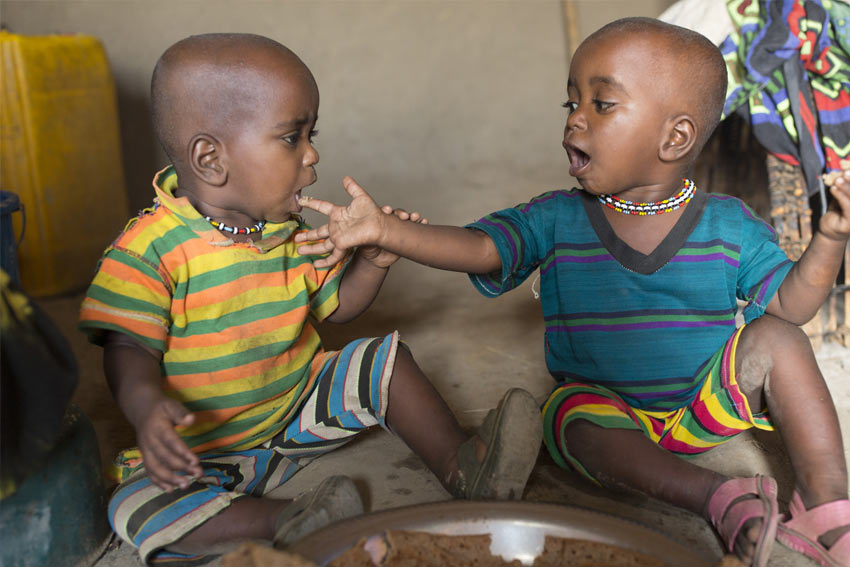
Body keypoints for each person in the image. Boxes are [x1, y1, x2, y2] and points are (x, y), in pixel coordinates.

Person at [295, 17, 850, 567]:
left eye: (601, 105)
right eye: (571, 104)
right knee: (566, 416)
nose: (575, 121)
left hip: (704, 401)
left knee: (778, 338)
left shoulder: (730, 224)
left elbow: (792, 306)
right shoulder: (556, 216)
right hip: (604, 409)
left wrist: (829, 240)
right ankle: (716, 498)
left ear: (674, 137)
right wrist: (387, 231)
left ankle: (827, 503)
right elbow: (481, 249)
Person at [78, 33, 543, 565]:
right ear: (210, 159)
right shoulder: (150, 250)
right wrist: (146, 410)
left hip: (296, 415)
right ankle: (291, 519)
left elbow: (338, 308)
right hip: (199, 454)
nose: (313, 154)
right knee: (134, 505)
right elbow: (127, 348)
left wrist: (372, 261)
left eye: (310, 134)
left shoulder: (289, 232)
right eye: (291, 138)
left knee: (382, 361)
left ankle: (464, 466)